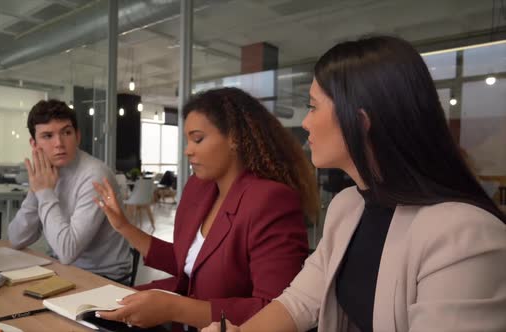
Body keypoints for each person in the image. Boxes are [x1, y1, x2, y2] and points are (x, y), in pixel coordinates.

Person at [202, 36, 506, 332]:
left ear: (360, 122)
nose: (305, 123)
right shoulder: (348, 206)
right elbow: (300, 301)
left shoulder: (464, 235)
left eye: (313, 107)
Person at [92, 87, 319, 331]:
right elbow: (186, 262)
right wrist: (123, 226)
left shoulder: (271, 200)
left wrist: (174, 307)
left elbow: (274, 310)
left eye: (198, 139)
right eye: (187, 140)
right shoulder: (198, 189)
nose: (188, 150)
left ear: (234, 137)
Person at [8, 99, 132, 282]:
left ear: (77, 136)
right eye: (48, 136)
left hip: (104, 278)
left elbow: (68, 251)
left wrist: (44, 193)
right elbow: (17, 238)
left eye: (66, 132)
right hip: (63, 270)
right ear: (34, 144)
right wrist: (37, 190)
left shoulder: (94, 175)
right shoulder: (46, 173)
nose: (59, 143)